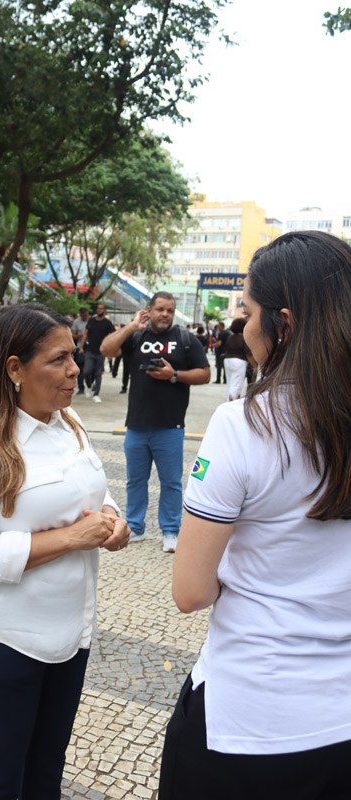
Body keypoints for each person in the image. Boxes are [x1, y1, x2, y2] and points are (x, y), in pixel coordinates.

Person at [158, 231, 351, 800]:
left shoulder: (243, 425)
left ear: (283, 323)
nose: (242, 326)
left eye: (247, 311)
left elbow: (190, 590)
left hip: (248, 721)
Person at [0, 303, 130, 799]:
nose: (75, 369)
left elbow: (93, 490)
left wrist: (112, 518)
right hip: (3, 641)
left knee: (45, 774)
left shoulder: (70, 424)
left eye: (74, 355)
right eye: (58, 359)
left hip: (70, 635)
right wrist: (73, 538)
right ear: (15, 368)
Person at [101, 292, 210, 553]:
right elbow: (106, 349)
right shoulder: (137, 337)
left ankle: (170, 530)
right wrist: (131, 326)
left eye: (170, 310)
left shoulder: (185, 340)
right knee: (135, 481)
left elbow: (205, 374)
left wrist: (174, 375)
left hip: (170, 425)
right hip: (136, 424)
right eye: (160, 309)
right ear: (149, 310)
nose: (165, 314)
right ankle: (135, 527)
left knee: (171, 482)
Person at [79, 302, 114, 403]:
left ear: (104, 310)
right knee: (86, 371)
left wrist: (110, 352)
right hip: (90, 351)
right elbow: (85, 334)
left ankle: (96, 394)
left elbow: (112, 338)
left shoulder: (108, 323)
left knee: (98, 373)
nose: (99, 310)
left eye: (101, 308)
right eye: (98, 308)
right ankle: (89, 386)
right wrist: (81, 347)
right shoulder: (91, 321)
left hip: (101, 352)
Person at [222, 317, 256, 400]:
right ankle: (232, 400)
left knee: (230, 383)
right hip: (239, 362)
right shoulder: (244, 338)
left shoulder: (230, 337)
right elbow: (248, 354)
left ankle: (229, 399)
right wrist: (254, 366)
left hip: (227, 360)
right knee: (236, 384)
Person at [71, 306, 90, 394]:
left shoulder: (91, 320)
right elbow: (73, 335)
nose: (84, 317)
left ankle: (90, 382)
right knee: (80, 367)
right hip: (80, 346)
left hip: (91, 346)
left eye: (85, 315)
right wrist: (81, 335)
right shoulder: (76, 322)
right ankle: (81, 387)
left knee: (90, 368)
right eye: (83, 316)